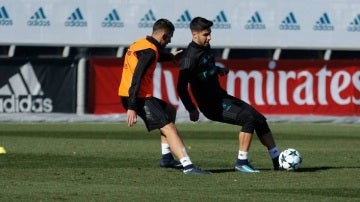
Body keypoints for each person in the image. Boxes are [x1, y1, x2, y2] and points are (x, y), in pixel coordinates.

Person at [177, 17, 280, 173]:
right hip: (211, 106)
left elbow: (204, 68)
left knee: (259, 119)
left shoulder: (205, 47)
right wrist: (191, 108)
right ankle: (241, 162)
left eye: (210, 33)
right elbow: (181, 87)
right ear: (194, 35)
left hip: (221, 97)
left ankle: (277, 159)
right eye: (206, 34)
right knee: (248, 119)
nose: (209, 37)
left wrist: (217, 70)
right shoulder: (190, 57)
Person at [118, 18, 209, 175]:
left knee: (170, 111)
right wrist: (132, 107)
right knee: (169, 127)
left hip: (131, 94)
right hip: (138, 97)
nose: (169, 41)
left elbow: (155, 55)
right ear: (164, 36)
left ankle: (166, 158)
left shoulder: (141, 43)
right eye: (169, 38)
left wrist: (171, 56)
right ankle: (188, 165)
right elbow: (137, 78)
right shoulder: (150, 51)